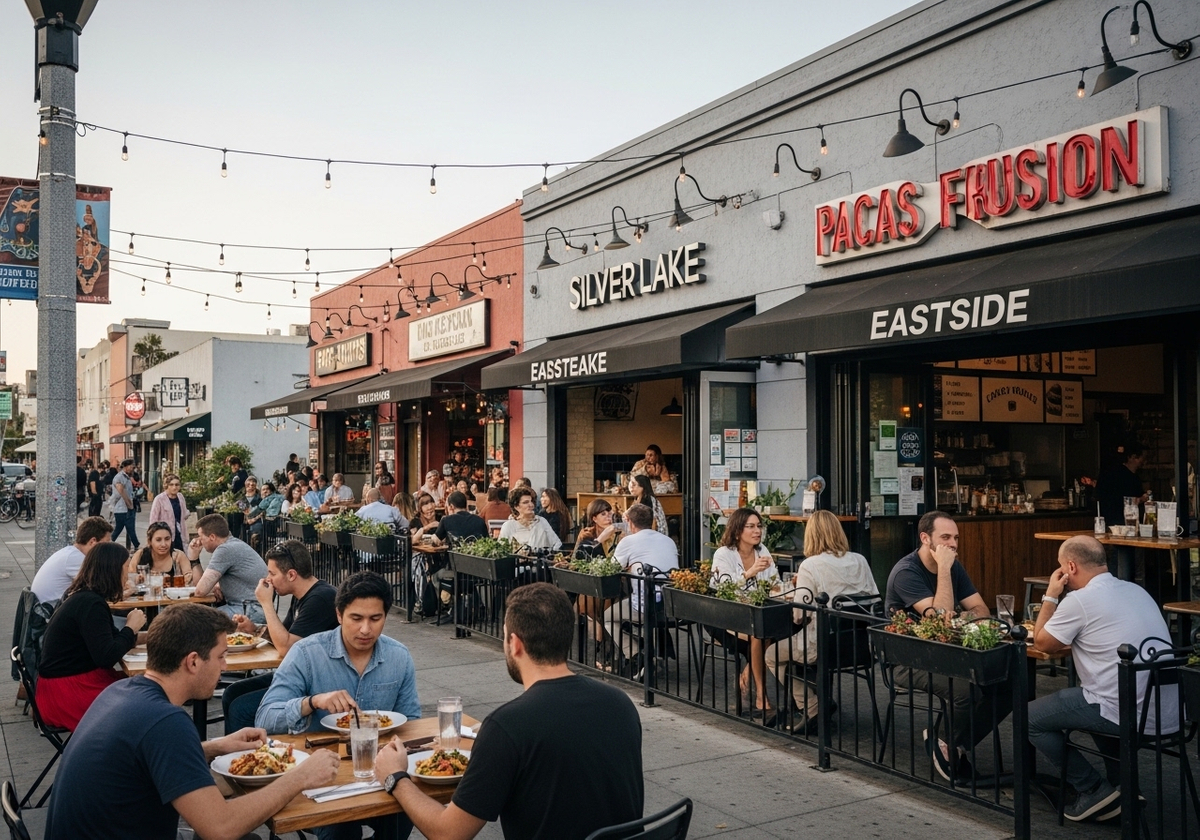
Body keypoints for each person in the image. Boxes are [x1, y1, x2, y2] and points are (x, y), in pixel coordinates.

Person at [43, 603, 340, 840]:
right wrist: (301, 776)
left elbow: (142, 759)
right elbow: (220, 828)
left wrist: (215, 747)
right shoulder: (165, 721)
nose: (225, 666)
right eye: (221, 656)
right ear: (193, 661)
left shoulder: (122, 690)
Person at [374, 583, 643, 840]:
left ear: (515, 643)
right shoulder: (619, 703)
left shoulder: (509, 725)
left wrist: (395, 777)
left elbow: (449, 833)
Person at [256, 571, 420, 840]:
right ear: (339, 615)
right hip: (321, 779)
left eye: (375, 619)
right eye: (356, 618)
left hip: (379, 774)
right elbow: (264, 718)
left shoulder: (398, 657)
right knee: (341, 828)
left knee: (407, 813)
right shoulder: (307, 653)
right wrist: (312, 702)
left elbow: (411, 723)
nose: (366, 629)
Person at [1029, 535, 1178, 823]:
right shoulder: (1137, 591)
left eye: (1061, 568)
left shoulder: (1079, 600)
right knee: (1092, 699)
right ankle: (1124, 789)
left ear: (1070, 567)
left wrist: (1050, 595)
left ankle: (1093, 790)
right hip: (1166, 711)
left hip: (1127, 710)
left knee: (1030, 718)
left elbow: (1043, 642)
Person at [884, 511, 1007, 782]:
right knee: (967, 690)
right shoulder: (907, 571)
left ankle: (951, 743)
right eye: (945, 537)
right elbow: (940, 616)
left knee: (1006, 684)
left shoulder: (953, 566)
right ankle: (948, 745)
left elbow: (980, 609)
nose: (953, 544)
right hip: (908, 659)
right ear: (925, 538)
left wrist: (960, 614)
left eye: (956, 538)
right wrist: (944, 570)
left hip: (946, 653)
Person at [765, 509, 878, 735]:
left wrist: (800, 588)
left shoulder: (811, 564)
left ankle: (812, 706)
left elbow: (799, 615)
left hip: (824, 646)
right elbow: (874, 600)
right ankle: (822, 700)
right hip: (859, 646)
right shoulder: (860, 560)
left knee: (772, 654)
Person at [224, 540, 339, 733]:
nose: (268, 580)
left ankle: (250, 757)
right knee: (232, 692)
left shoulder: (320, 599)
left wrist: (266, 604)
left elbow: (286, 647)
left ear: (292, 574)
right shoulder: (302, 596)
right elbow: (283, 634)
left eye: (272, 573)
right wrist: (253, 628)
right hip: (299, 674)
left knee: (240, 708)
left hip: (317, 683)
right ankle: (233, 754)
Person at [36, 543, 146, 731]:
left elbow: (110, 640)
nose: (128, 575)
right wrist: (130, 627)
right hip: (66, 693)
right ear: (112, 571)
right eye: (126, 568)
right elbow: (106, 656)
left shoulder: (85, 597)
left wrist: (148, 636)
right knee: (146, 699)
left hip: (61, 685)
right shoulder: (91, 604)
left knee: (146, 687)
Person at [711, 507, 780, 722]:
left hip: (755, 613)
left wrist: (779, 588)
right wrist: (750, 573)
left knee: (772, 628)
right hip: (725, 615)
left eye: (759, 526)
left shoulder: (763, 552)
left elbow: (775, 583)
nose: (757, 531)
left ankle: (748, 673)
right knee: (758, 634)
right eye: (751, 526)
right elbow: (724, 587)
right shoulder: (724, 554)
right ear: (738, 530)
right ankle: (761, 696)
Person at [600, 503, 679, 665]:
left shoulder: (629, 541)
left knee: (607, 617)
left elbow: (610, 569)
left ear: (629, 522)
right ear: (652, 521)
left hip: (645, 606)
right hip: (671, 605)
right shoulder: (668, 541)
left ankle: (636, 654)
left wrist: (599, 541)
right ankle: (646, 649)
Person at [188, 513, 269, 622]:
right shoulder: (232, 544)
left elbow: (200, 591)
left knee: (196, 620)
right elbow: (202, 587)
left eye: (201, 538)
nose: (200, 541)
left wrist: (193, 558)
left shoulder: (225, 550)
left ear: (212, 537)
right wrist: (215, 585)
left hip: (250, 610)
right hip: (253, 607)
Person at [31, 516, 113, 603]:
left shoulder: (70, 553)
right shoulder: (75, 558)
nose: (108, 548)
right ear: (92, 542)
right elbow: (103, 590)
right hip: (52, 611)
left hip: (50, 608)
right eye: (106, 543)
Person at [1095, 442, 1147, 532]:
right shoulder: (1117, 476)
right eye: (1143, 458)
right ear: (1133, 457)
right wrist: (1142, 499)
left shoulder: (1131, 477)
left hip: (1112, 523)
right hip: (1119, 523)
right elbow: (1130, 500)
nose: (1145, 462)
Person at [128, 521, 194, 584]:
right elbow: (129, 578)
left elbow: (190, 580)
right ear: (149, 541)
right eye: (158, 540)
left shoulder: (178, 556)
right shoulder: (140, 554)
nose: (163, 544)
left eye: (167, 539)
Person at [147, 472, 190, 552]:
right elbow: (153, 519)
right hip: (165, 534)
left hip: (179, 533)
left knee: (180, 556)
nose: (174, 487)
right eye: (171, 485)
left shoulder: (180, 497)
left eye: (177, 485)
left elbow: (184, 514)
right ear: (167, 486)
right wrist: (153, 536)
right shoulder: (159, 499)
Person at [110, 459, 140, 550]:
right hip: (122, 508)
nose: (132, 469)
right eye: (131, 467)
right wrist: (129, 505)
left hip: (125, 508)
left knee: (127, 529)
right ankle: (136, 546)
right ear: (126, 467)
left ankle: (135, 545)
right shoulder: (119, 478)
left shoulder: (127, 478)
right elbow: (122, 491)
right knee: (122, 528)